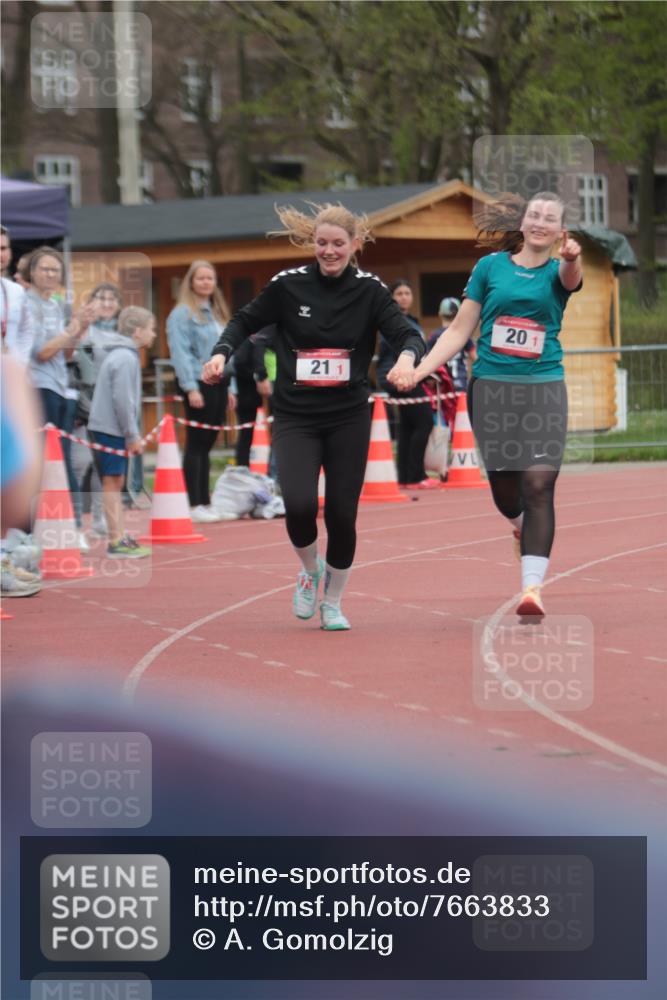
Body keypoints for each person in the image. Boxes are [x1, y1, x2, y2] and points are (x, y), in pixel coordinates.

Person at [202, 202, 424, 631]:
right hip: (295, 415)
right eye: (321, 243)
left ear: (354, 245)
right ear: (312, 244)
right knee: (300, 504)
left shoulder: (370, 289)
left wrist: (407, 360)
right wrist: (220, 353)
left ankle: (334, 602)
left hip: (348, 416)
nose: (329, 251)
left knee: (342, 513)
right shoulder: (288, 286)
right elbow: (244, 321)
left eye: (338, 244)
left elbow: (406, 333)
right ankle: (310, 569)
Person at [389, 191, 582, 619]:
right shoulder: (489, 268)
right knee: (506, 492)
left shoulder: (558, 271)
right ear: (523, 220)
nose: (540, 222)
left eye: (550, 218)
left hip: (544, 389)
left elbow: (570, 277)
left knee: (538, 486)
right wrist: (419, 372)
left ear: (559, 230)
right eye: (535, 214)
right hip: (491, 389)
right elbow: (459, 331)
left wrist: (571, 258)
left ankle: (532, 589)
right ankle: (519, 528)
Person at [26, 247, 97, 549]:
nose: (50, 275)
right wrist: (71, 329)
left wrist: (79, 328)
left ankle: (69, 524)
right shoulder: (26, 305)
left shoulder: (56, 306)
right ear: (32, 272)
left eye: (55, 270)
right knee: (41, 462)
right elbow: (41, 352)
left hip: (60, 386)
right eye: (44, 269)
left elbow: (65, 354)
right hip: (36, 385)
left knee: (61, 460)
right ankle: (34, 529)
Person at [167, 261, 234, 523]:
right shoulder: (182, 314)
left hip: (221, 381)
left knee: (208, 443)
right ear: (191, 282)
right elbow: (180, 353)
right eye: (201, 278)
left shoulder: (217, 312)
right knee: (197, 443)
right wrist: (190, 387)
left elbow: (229, 351)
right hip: (198, 381)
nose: (206, 282)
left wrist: (233, 386)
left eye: (210, 278)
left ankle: (205, 500)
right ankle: (193, 503)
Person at [88, 306, 156, 557]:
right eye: (151, 329)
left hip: (108, 426)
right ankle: (115, 540)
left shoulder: (122, 355)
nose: (154, 334)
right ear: (137, 331)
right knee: (112, 482)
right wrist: (132, 435)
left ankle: (118, 535)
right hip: (111, 428)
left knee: (115, 482)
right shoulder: (125, 358)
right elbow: (123, 401)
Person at [70, 282, 124, 538]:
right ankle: (75, 521)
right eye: (101, 298)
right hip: (85, 408)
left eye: (112, 299)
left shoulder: (122, 334)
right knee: (81, 463)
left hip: (113, 409)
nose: (107, 303)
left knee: (106, 466)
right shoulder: (84, 332)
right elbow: (80, 372)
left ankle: (101, 520)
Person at [384, 279, 439, 489]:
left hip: (413, 375)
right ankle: (416, 476)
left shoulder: (411, 320)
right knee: (424, 421)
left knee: (408, 425)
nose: (404, 297)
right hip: (397, 376)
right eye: (399, 294)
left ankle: (405, 477)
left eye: (407, 293)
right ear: (392, 298)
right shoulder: (392, 321)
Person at [428, 297, 476, 393]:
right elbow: (476, 358)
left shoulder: (434, 335)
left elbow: (427, 360)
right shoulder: (464, 334)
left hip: (442, 385)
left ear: (440, 314)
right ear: (459, 314)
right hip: (461, 383)